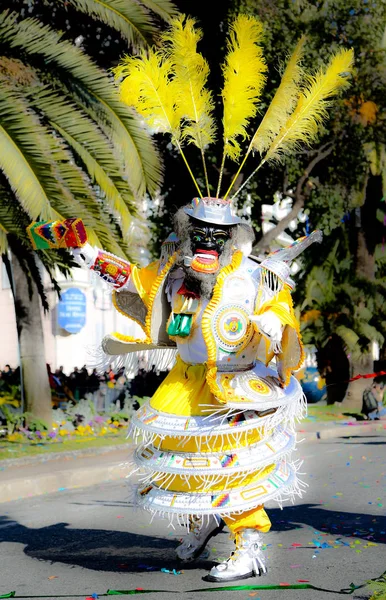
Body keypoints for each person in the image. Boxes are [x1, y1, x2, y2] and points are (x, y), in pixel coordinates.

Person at [71, 13, 352, 583]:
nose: (205, 241)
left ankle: (248, 545)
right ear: (185, 228)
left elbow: (282, 329)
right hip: (190, 378)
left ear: (234, 238)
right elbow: (139, 292)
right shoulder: (175, 268)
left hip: (239, 385)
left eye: (216, 235)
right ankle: (205, 520)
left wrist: (267, 338)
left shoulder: (256, 277)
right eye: (197, 231)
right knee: (183, 461)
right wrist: (91, 257)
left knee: (237, 468)